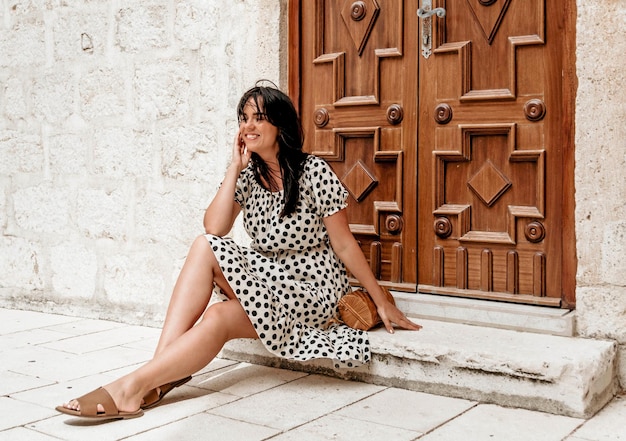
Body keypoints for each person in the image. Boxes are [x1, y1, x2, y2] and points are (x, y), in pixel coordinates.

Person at [56, 82, 422, 420]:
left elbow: (344, 244)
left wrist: (381, 300)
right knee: (206, 250)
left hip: (311, 289)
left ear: (280, 125)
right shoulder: (247, 176)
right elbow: (214, 228)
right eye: (243, 118)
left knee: (217, 316)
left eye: (258, 118)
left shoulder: (313, 171)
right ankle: (146, 381)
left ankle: (135, 385)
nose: (248, 125)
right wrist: (235, 167)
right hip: (268, 280)